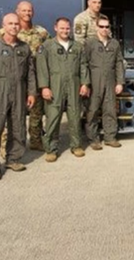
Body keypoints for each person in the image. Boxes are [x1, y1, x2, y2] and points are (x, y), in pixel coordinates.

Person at [0, 13, 37, 181]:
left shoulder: (24, 48)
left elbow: (30, 73)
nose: (14, 27)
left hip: (19, 89)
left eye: (16, 24)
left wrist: (31, 92)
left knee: (18, 125)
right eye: (10, 24)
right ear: (3, 25)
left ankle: (14, 158)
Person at [0, 1, 50, 154]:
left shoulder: (41, 32)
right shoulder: (2, 33)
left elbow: (50, 49)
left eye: (29, 11)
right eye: (24, 10)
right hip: (13, 78)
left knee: (36, 112)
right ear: (17, 11)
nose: (27, 13)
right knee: (10, 114)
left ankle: (35, 140)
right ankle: (5, 146)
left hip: (34, 78)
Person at [37, 17, 90, 162]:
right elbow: (42, 68)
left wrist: (85, 83)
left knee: (75, 116)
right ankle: (51, 149)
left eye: (67, 28)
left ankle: (76, 145)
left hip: (74, 84)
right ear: (55, 28)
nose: (65, 31)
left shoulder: (77, 47)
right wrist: (44, 87)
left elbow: (83, 65)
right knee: (53, 117)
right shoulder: (47, 46)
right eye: (62, 28)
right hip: (55, 85)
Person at [83, 15, 125, 149]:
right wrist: (85, 83)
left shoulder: (114, 43)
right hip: (94, 79)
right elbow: (84, 63)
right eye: (101, 26)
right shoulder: (90, 43)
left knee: (110, 109)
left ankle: (110, 137)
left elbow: (119, 63)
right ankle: (93, 139)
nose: (104, 29)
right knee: (92, 110)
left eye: (107, 26)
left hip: (110, 79)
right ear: (96, 27)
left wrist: (120, 82)